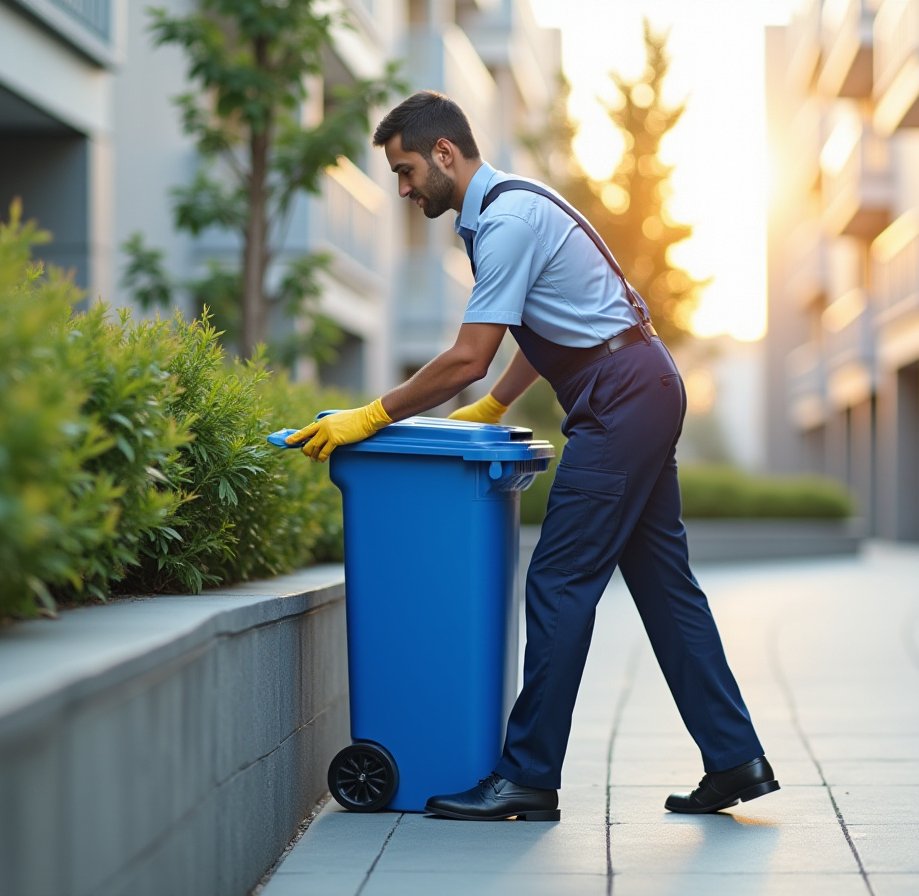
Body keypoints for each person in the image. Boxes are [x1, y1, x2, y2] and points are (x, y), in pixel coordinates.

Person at [286, 90, 777, 821]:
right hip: (635, 384)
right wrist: (498, 407)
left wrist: (374, 414)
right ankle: (736, 759)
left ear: (445, 153)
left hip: (621, 396)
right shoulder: (502, 212)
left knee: (557, 583)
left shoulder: (507, 220)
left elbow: (466, 359)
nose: (403, 187)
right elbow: (540, 323)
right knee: (664, 586)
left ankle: (527, 777)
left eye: (406, 168)